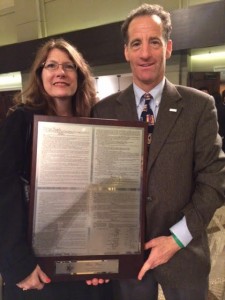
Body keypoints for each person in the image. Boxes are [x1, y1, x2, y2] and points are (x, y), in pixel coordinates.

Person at [91, 4, 225, 300]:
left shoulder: (199, 106)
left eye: (154, 41)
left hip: (185, 253)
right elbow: (98, 186)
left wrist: (176, 238)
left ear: (168, 48)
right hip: (127, 256)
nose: (145, 53)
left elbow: (214, 181)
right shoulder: (104, 111)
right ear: (126, 51)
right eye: (136, 43)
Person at [0, 38, 111, 300]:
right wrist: (18, 264)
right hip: (37, 267)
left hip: (85, 266)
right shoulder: (21, 121)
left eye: (68, 66)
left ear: (79, 76)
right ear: (40, 76)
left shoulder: (96, 123)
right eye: (51, 65)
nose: (60, 72)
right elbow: (4, 193)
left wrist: (105, 260)